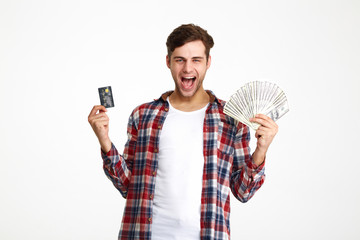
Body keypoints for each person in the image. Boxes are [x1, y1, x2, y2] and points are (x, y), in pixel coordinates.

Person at [88, 24, 278, 240]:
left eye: (196, 59)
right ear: (168, 62)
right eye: (180, 60)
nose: (188, 69)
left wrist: (261, 150)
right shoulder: (143, 115)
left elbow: (243, 192)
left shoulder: (231, 120)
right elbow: (128, 186)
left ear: (208, 63)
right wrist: (104, 141)